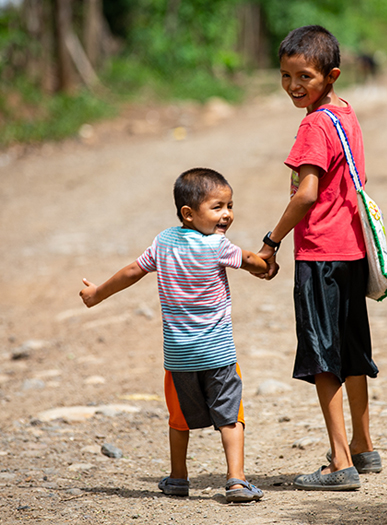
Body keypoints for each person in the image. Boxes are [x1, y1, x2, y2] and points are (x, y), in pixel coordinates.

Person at [80, 167, 269, 503]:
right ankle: (237, 481)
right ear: (189, 212)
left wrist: (97, 294)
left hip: (179, 356)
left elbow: (132, 271)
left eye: (230, 206)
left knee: (179, 419)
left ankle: (178, 478)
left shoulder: (163, 241)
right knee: (231, 416)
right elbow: (251, 261)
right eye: (218, 207)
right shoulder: (218, 245)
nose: (227, 214)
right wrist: (265, 266)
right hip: (218, 354)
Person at [256, 25, 382, 491]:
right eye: (285, 75)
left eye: (304, 76)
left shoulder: (312, 125)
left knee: (322, 358)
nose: (293, 86)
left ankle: (341, 463)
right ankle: (365, 447)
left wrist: (271, 241)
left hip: (321, 255)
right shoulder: (344, 114)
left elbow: (307, 194)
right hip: (350, 251)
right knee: (351, 351)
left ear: (331, 75)